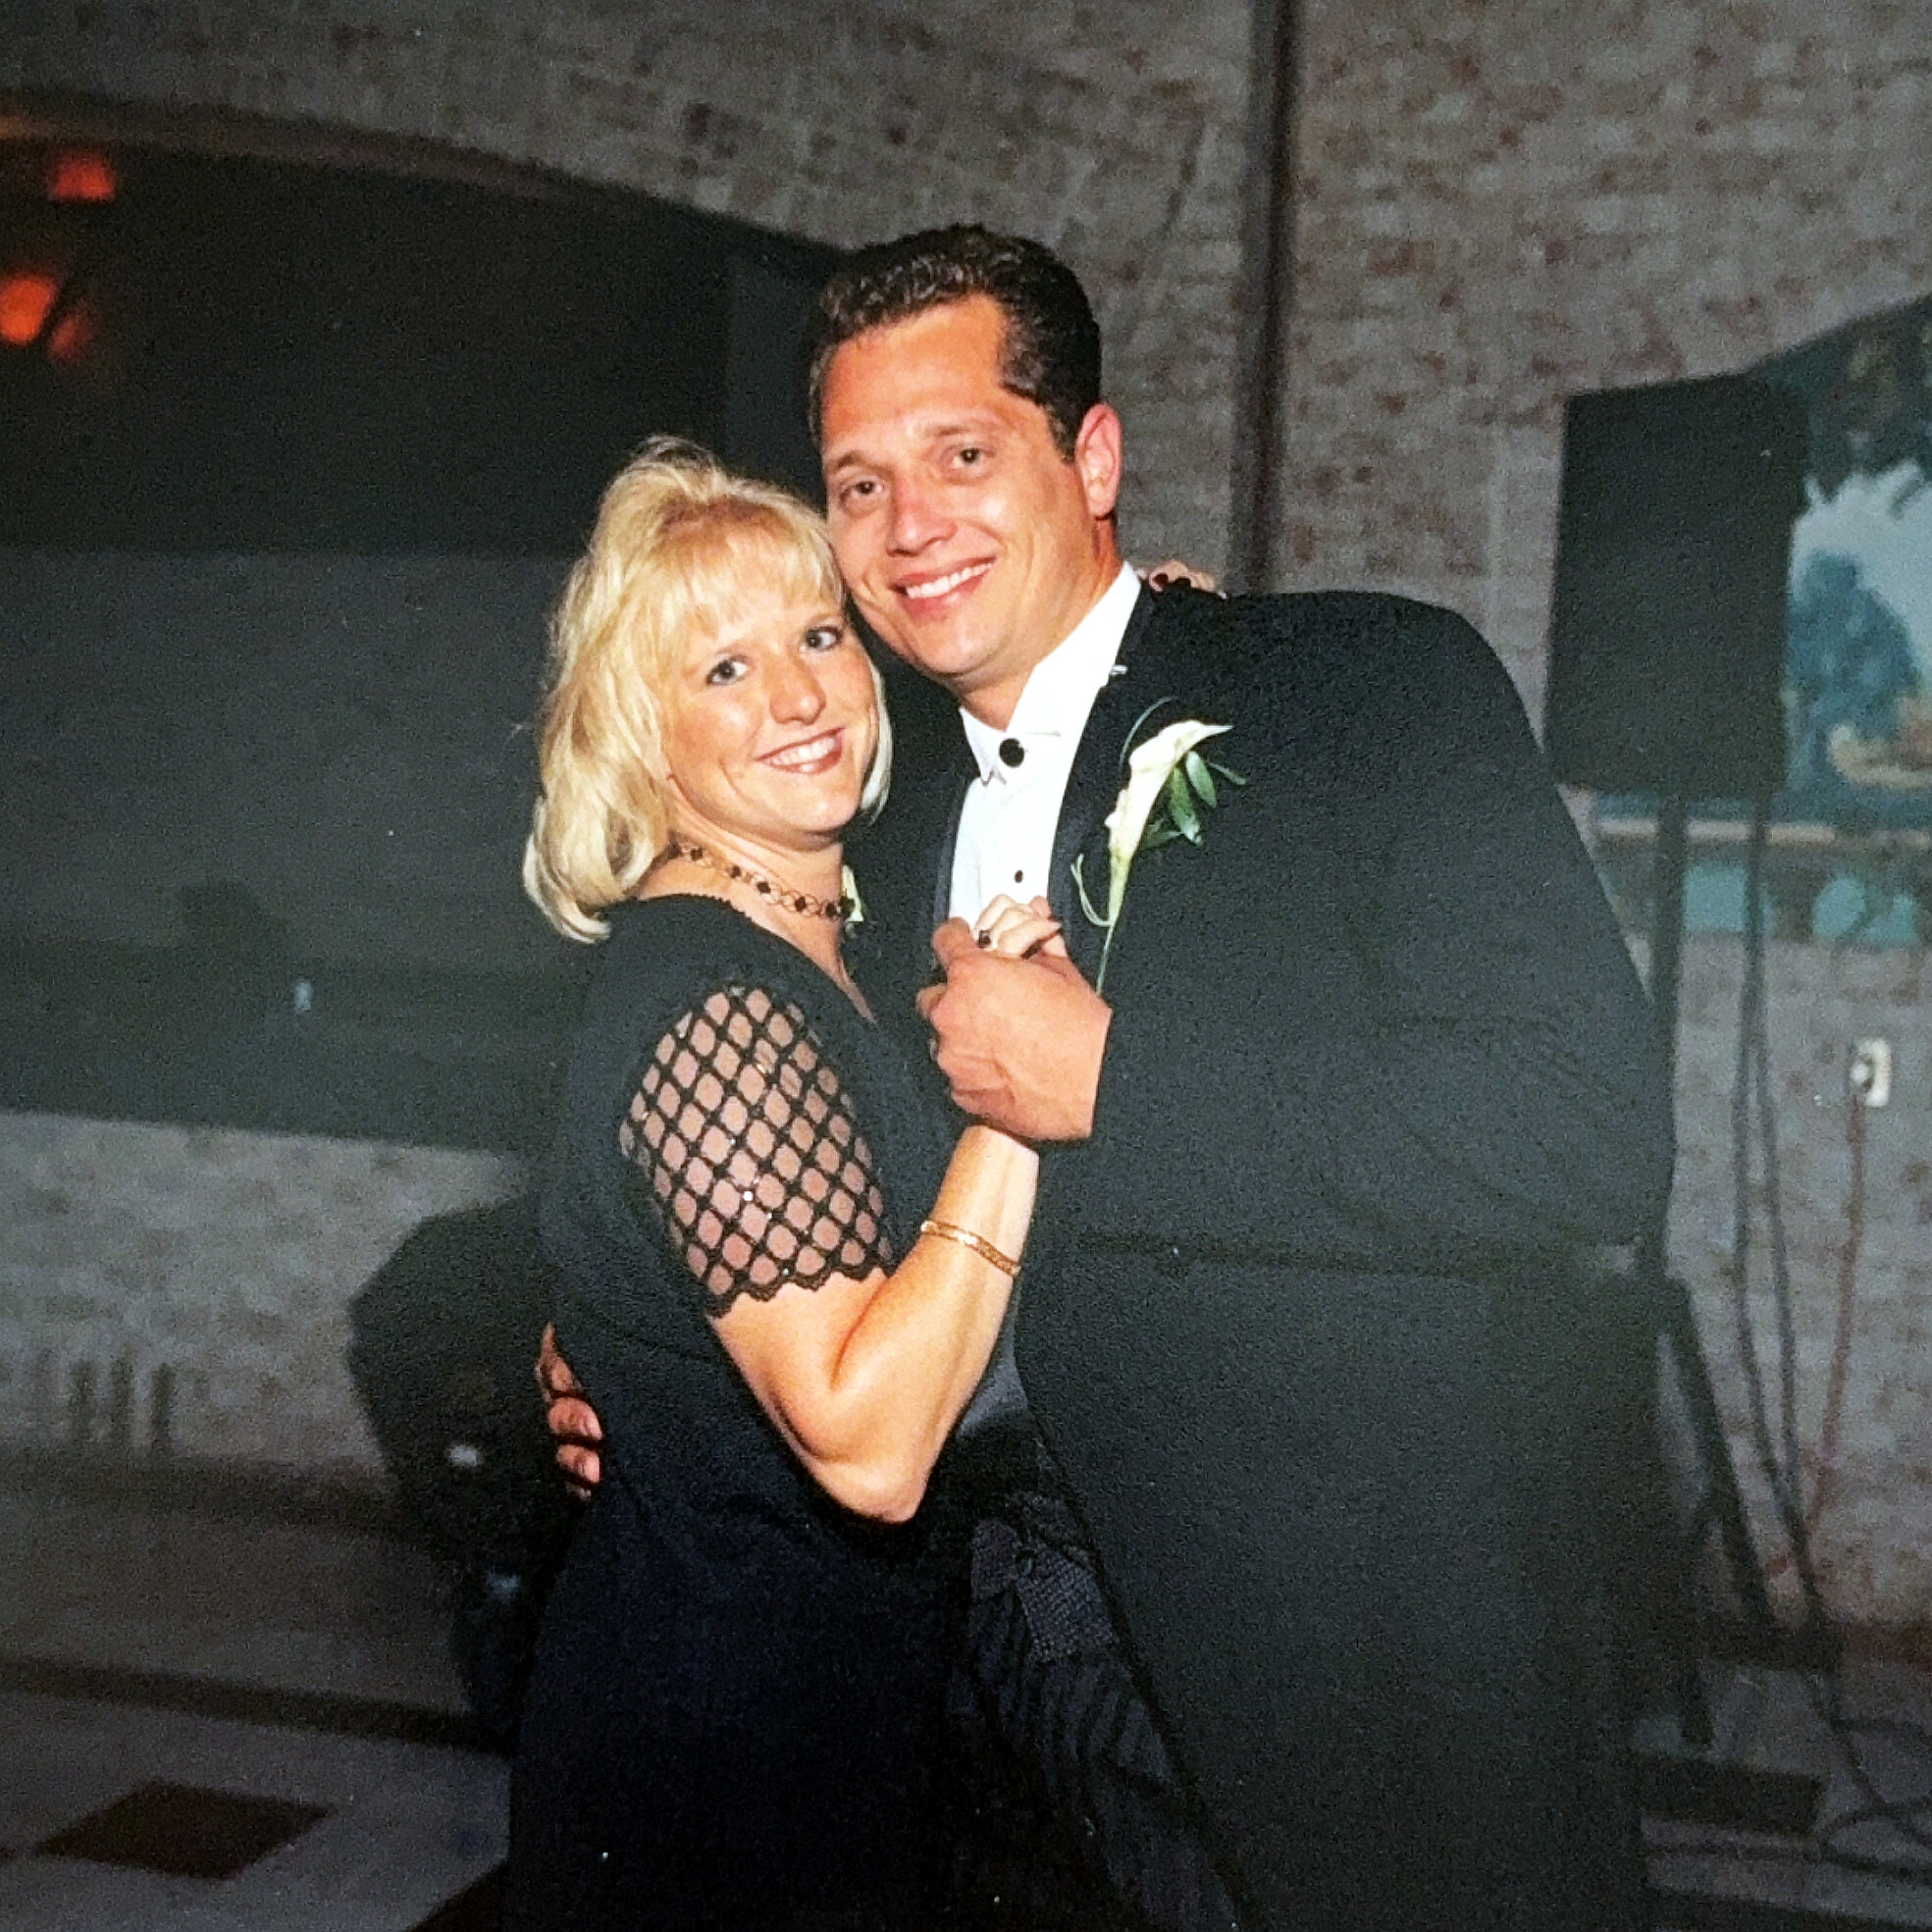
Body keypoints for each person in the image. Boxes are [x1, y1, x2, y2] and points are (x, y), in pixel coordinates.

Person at [546, 226, 1678, 1931]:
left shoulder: (1357, 690)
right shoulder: (857, 807)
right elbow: (760, 1152)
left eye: (962, 454)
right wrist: (629, 1341)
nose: (909, 524)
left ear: (1090, 458)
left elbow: (1585, 1129)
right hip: (968, 1725)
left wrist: (1119, 1082)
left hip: (1344, 1702)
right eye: (858, 485)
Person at [502, 439, 1062, 1931]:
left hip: (831, 1715)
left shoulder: (830, 957)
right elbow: (868, 1445)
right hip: (728, 1757)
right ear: (644, 737)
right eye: (724, 670)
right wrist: (1014, 1104)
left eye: (818, 637)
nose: (800, 697)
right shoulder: (719, 1008)